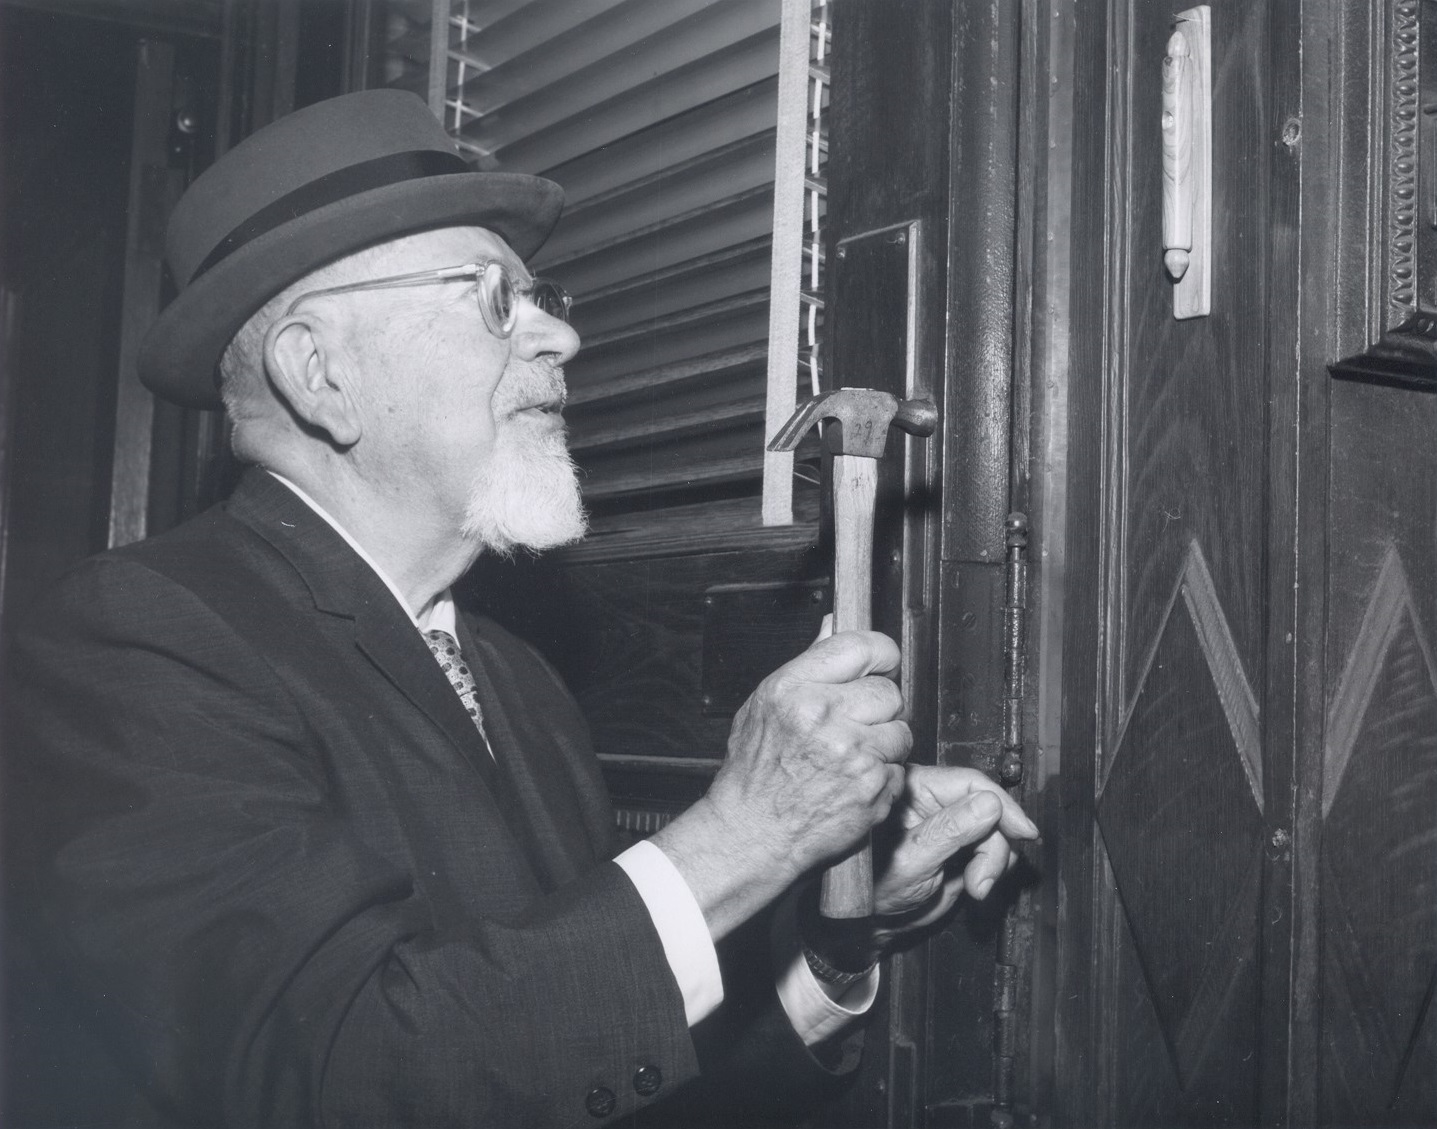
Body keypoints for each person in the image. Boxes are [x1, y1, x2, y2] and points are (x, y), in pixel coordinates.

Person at [2, 90, 1038, 1128]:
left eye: (546, 298)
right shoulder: (131, 644)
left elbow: (584, 1072)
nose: (561, 341)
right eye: (496, 299)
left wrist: (836, 918)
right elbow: (344, 1079)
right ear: (319, 373)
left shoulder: (517, 681)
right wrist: (748, 832)